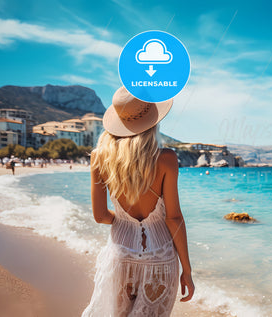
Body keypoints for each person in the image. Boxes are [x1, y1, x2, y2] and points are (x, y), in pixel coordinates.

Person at [82, 87, 194, 317]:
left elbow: (101, 216)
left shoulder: (99, 157)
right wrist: (187, 270)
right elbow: (173, 218)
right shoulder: (166, 159)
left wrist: (123, 219)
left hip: (121, 255)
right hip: (160, 260)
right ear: (153, 121)